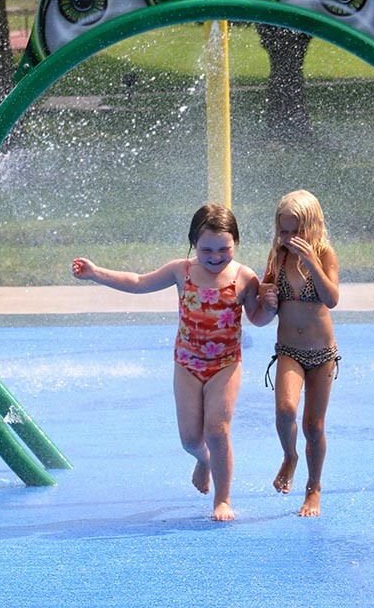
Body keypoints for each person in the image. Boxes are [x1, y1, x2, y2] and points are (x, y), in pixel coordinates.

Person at [72, 203, 276, 521]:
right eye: (207, 249)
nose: (215, 256)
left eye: (224, 249)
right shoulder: (181, 271)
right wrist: (97, 273)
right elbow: (138, 282)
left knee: (218, 429)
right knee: (191, 439)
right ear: (194, 244)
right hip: (187, 364)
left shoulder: (243, 277)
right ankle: (204, 460)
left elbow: (257, 318)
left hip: (225, 364)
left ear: (236, 242)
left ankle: (222, 499)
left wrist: (271, 308)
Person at [259, 190, 340, 517]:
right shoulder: (277, 257)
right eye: (284, 230)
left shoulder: (325, 255)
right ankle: (289, 456)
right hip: (289, 349)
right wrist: (266, 294)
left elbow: (331, 298)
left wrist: (311, 263)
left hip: (322, 355)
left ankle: (313, 488)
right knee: (285, 411)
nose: (289, 238)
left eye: (296, 231)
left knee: (314, 426)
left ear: (313, 227)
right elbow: (263, 294)